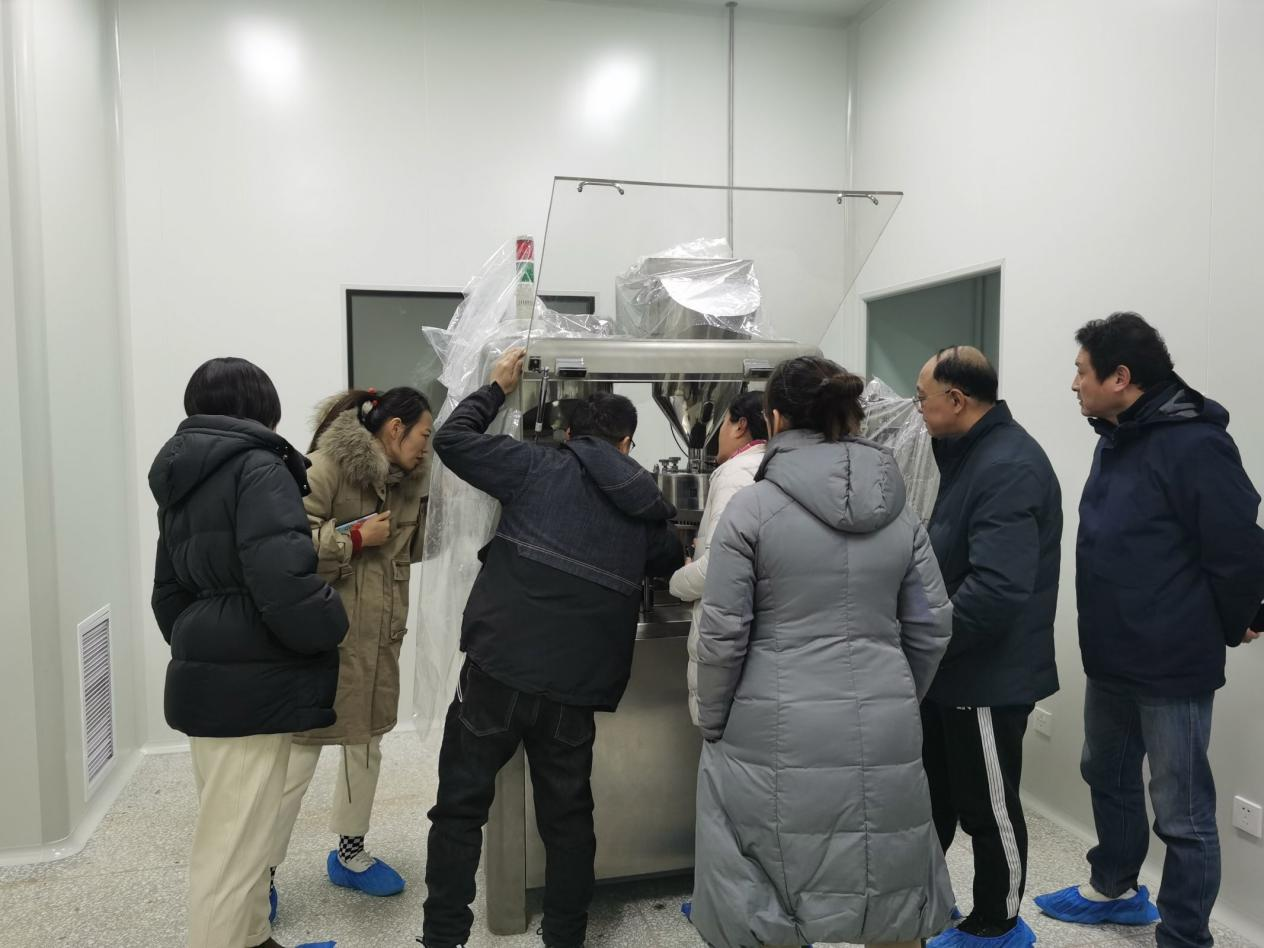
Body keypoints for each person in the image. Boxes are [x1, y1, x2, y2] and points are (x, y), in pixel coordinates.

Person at [420, 348, 684, 948]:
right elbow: (669, 564)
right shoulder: (646, 503)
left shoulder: (535, 465)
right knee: (567, 820)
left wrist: (495, 387)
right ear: (627, 443)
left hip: (498, 668)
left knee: (460, 808)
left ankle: (443, 937)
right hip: (574, 685)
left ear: (569, 435)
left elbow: (451, 440)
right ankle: (565, 937)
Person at [690, 355, 956, 948]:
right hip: (884, 721)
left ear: (775, 418)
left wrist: (713, 719)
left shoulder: (752, 509)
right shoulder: (898, 508)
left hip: (773, 723)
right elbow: (933, 623)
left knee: (771, 885)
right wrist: (894, 693)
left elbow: (724, 634)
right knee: (886, 872)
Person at [1035, 312, 1264, 948]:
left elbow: (1238, 544)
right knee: (1104, 774)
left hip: (1171, 663)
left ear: (1120, 377)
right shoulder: (1116, 435)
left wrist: (1245, 617)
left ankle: (1185, 935)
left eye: (1082, 371)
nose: (1074, 384)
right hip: (1112, 652)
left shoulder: (1195, 443)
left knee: (1181, 811)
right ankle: (1115, 889)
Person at [149, 357, 346, 948]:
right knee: (230, 857)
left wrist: (204, 643)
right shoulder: (259, 466)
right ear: (262, 407)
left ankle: (255, 939)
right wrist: (330, 623)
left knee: (242, 834)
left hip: (209, 672)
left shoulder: (181, 475)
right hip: (252, 680)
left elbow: (167, 593)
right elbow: (284, 580)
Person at [912, 347, 1062, 948]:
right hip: (951, 667)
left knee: (987, 807)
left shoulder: (1007, 465)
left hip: (986, 675)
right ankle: (932, 902)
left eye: (922, 397)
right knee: (938, 797)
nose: (917, 408)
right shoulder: (966, 454)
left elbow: (998, 589)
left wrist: (925, 637)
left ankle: (998, 924)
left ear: (956, 399)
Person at [270, 387, 433, 909]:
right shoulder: (324, 468)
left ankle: (350, 854)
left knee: (364, 749)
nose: (427, 447)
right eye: (424, 435)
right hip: (322, 641)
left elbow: (414, 547)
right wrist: (355, 539)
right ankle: (260, 874)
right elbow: (283, 545)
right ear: (395, 429)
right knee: (298, 759)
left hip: (377, 641)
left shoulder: (409, 481)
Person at [670, 390, 768, 726]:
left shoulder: (735, 473)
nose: (717, 434)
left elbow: (718, 567)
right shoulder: (775, 465)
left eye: (723, 423)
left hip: (726, 628)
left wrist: (678, 582)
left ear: (740, 426)